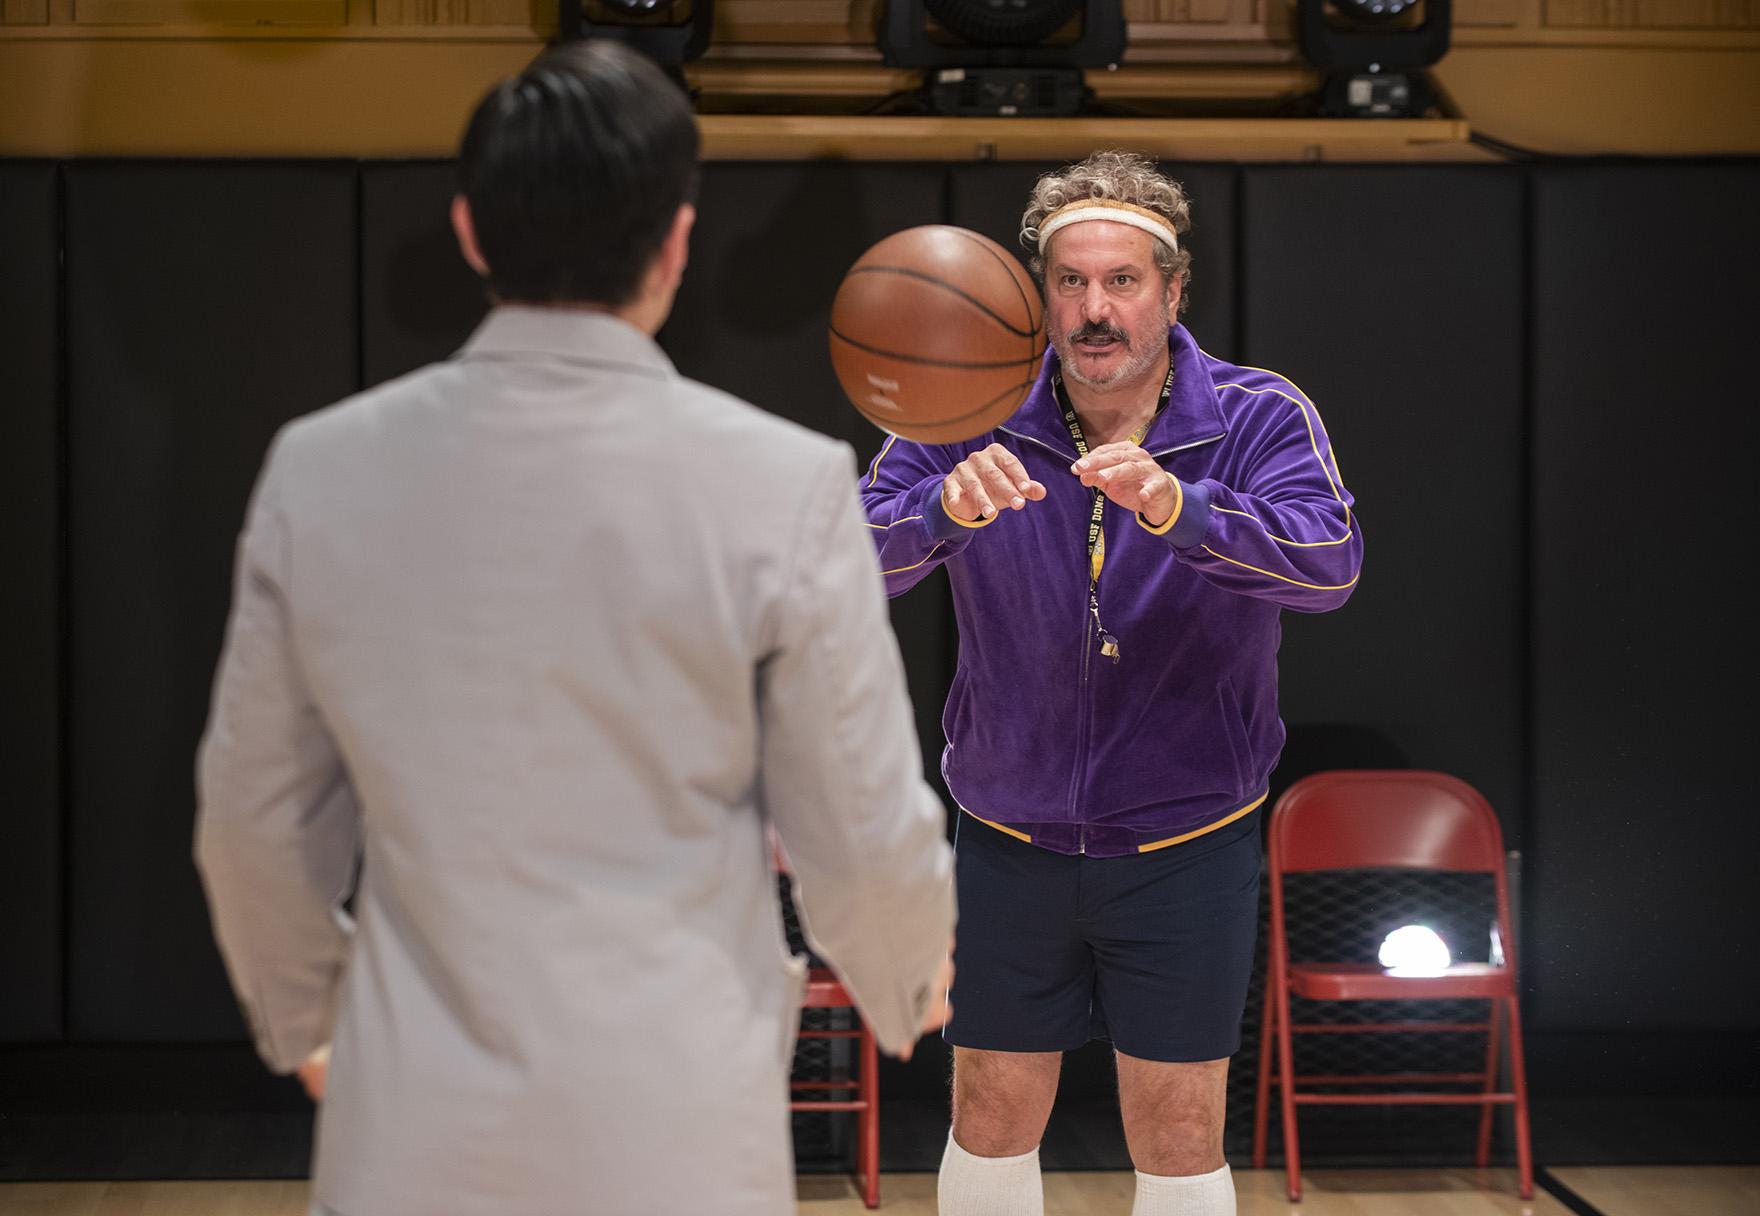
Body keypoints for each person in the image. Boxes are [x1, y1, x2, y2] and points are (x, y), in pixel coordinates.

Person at [193, 41, 955, 1216]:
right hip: (681, 1119)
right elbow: (854, 813)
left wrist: (306, 1018)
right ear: (677, 240)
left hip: (413, 1118)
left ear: (470, 232)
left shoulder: (322, 471)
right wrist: (907, 973)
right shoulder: (783, 482)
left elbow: (253, 820)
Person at [860, 150, 1362, 1216]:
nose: (1096, 309)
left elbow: (1331, 566)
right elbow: (843, 564)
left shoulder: (1259, 414)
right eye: (1071, 282)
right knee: (989, 1103)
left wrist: (1185, 512)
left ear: (1174, 290)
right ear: (1038, 295)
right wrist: (941, 512)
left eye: (1123, 280)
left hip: (1187, 837)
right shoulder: (963, 403)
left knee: (1178, 1125)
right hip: (1009, 831)